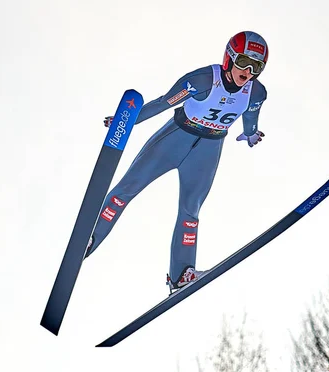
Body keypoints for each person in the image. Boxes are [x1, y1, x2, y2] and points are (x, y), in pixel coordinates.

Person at [85, 31, 268, 292]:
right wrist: (126, 121)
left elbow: (251, 116)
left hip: (209, 149)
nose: (248, 71)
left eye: (256, 67)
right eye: (243, 62)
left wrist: (251, 133)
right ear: (229, 59)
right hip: (176, 138)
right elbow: (162, 103)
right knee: (128, 188)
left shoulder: (256, 92)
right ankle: (90, 237)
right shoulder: (202, 80)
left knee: (190, 212)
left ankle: (181, 274)